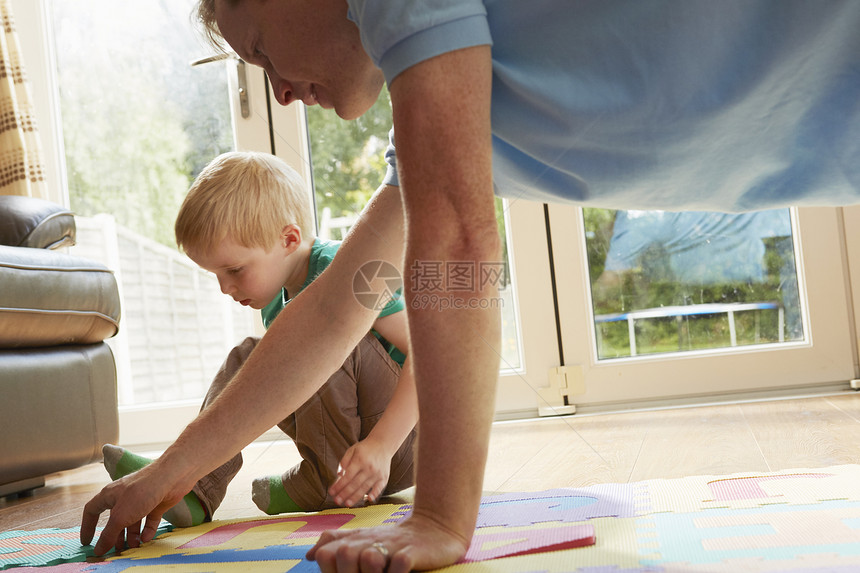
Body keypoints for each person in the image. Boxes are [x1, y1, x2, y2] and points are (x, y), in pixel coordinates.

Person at [82, 1, 860, 571]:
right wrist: (165, 474)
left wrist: (442, 517)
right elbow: (340, 305)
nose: (278, 91)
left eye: (260, 49)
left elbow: (456, 243)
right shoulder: (453, 88)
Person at [95, 151, 418, 530]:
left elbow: (427, 356)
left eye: (234, 270)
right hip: (360, 457)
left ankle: (323, 480)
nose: (225, 288)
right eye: (216, 274)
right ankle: (196, 489)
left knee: (315, 345)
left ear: (289, 239)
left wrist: (381, 444)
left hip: (405, 442)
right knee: (250, 358)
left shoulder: (337, 266)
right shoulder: (276, 303)